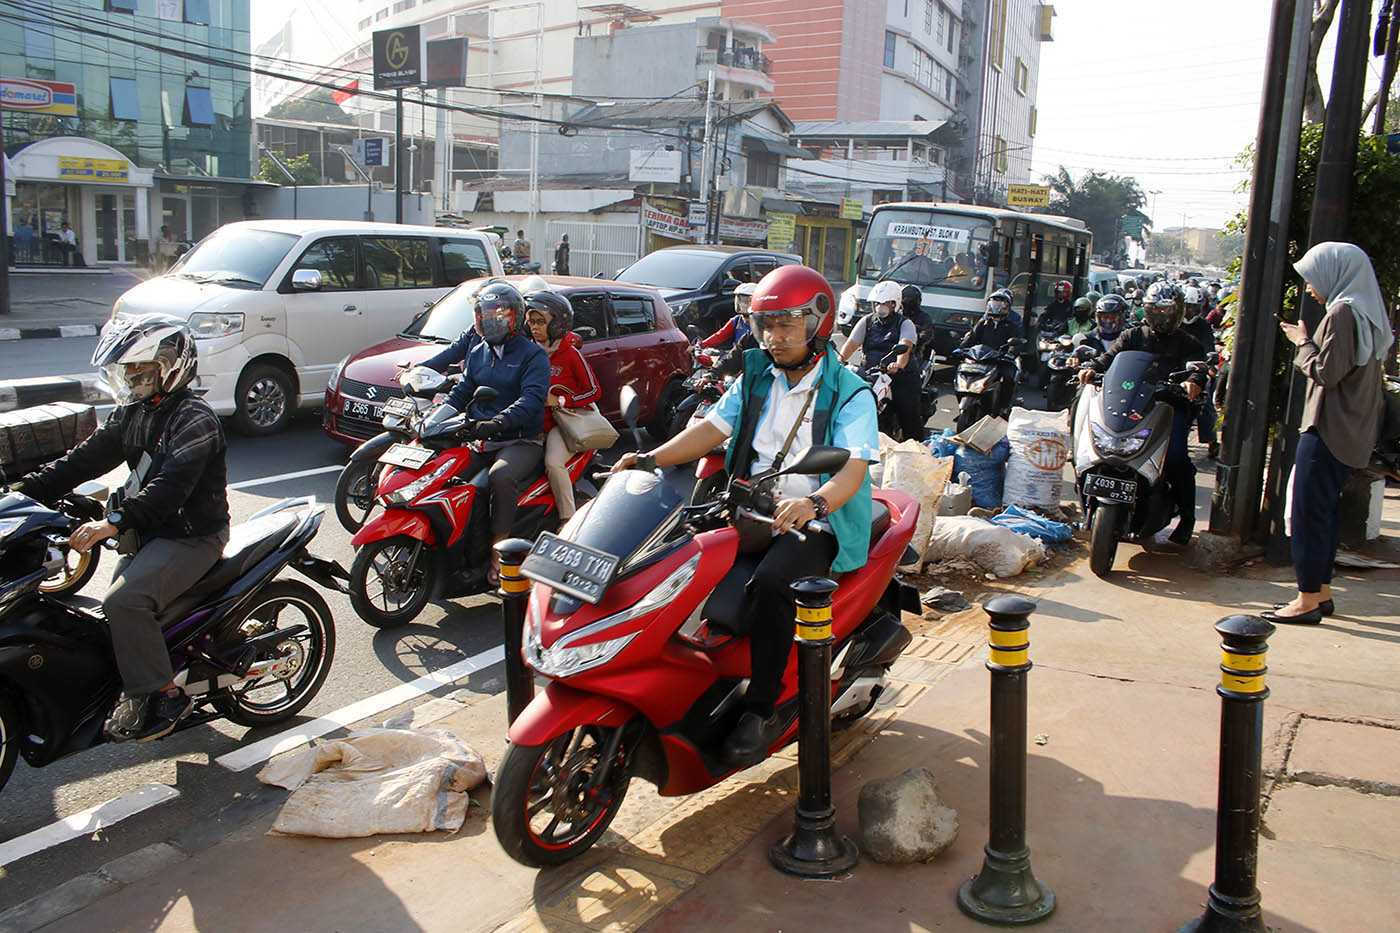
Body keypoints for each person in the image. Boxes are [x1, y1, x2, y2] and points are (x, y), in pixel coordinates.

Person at [609, 264, 878, 765]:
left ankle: (761, 709)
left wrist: (813, 504)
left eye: (786, 325)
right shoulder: (755, 374)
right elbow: (710, 430)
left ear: (818, 322)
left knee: (774, 585)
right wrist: (648, 458)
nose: (773, 337)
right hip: (750, 505)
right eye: (766, 325)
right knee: (671, 556)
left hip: (816, 520)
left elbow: (852, 471)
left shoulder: (851, 393)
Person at [12, 314, 229, 742]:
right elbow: (82, 460)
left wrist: (111, 523)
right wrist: (21, 491)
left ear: (170, 366)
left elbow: (170, 490)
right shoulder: (131, 413)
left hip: (191, 537)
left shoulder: (195, 419)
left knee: (124, 603)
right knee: (108, 620)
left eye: (139, 369)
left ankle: (165, 695)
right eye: (126, 371)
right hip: (148, 531)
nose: (131, 378)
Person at [1264, 242, 1392, 625]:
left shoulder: (1341, 312)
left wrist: (1301, 343)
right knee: (1323, 513)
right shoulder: (1367, 311)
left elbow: (1326, 373)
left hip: (1327, 429)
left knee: (1307, 514)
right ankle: (1319, 593)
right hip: (1350, 431)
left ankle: (1306, 600)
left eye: (1311, 277)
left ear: (1335, 273)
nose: (1308, 287)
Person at [438, 281, 549, 584]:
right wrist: (435, 419)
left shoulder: (533, 355)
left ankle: (498, 552)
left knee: (501, 476)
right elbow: (460, 392)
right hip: (480, 437)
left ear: (514, 317)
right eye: (484, 314)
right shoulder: (477, 352)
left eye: (497, 314)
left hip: (520, 439)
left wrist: (500, 421)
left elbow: (532, 399)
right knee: (445, 476)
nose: (490, 320)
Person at [1079, 282, 1207, 544]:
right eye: (1156, 312)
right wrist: (1091, 367)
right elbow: (1110, 358)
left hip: (1168, 409)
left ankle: (1187, 518)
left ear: (1178, 313)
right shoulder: (1132, 336)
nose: (1162, 317)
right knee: (1094, 448)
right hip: (1129, 406)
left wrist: (1193, 382)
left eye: (1168, 313)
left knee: (1176, 459)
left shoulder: (1188, 343)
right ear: (1147, 311)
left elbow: (1199, 370)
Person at [524, 289, 600, 523]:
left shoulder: (570, 355)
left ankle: (567, 519)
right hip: (531, 423)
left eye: (540, 322)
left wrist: (561, 401)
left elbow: (594, 391)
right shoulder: (527, 351)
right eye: (531, 321)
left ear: (557, 324)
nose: (534, 327)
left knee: (553, 463)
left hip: (561, 422)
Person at [838, 279, 922, 441]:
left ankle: (918, 449)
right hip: (870, 374)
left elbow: (905, 346)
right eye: (876, 303)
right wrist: (839, 361)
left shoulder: (905, 324)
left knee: (909, 414)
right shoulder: (867, 321)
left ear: (895, 303)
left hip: (900, 377)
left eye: (885, 303)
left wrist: (898, 364)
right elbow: (851, 344)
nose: (879, 307)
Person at [961, 288, 1021, 416]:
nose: (997, 308)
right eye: (994, 304)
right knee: (964, 371)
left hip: (1002, 360)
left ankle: (1003, 407)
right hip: (982, 359)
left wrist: (1010, 353)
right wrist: (962, 348)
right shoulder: (983, 323)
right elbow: (971, 338)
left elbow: (1016, 344)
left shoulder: (1011, 326)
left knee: (1008, 378)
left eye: (1001, 305)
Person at [1180, 286, 1219, 458]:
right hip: (1175, 370)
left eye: (1193, 307)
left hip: (1196, 370)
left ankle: (1211, 441)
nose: (1189, 311)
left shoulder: (1203, 325)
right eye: (1186, 307)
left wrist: (1209, 368)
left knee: (1205, 403)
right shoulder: (1173, 322)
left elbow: (1208, 346)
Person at [900, 283, 937, 370]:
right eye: (905, 300)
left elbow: (927, 335)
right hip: (891, 351)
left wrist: (912, 338)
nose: (908, 304)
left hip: (914, 354)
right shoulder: (896, 315)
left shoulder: (924, 317)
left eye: (911, 301)